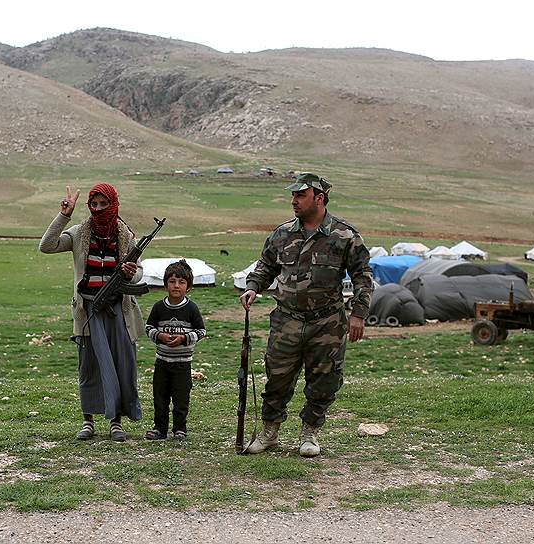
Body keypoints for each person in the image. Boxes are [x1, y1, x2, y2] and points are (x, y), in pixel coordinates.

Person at [239, 172, 374, 457]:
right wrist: (253, 287)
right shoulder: (282, 234)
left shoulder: (345, 236)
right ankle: (270, 433)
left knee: (324, 380)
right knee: (277, 378)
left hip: (327, 322)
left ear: (319, 198)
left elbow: (363, 276)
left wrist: (358, 313)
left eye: (300, 195)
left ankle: (310, 433)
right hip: (287, 319)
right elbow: (266, 266)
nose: (294, 201)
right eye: (293, 195)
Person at [39, 183, 146, 442]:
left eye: (103, 204)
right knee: (89, 367)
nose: (98, 209)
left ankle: (116, 422)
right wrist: (65, 214)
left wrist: (132, 274)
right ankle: (88, 420)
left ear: (113, 205)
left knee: (121, 364)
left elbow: (139, 271)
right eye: (94, 204)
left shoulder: (126, 236)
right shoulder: (78, 233)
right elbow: (47, 245)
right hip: (88, 311)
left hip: (119, 311)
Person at [144, 260, 206, 441]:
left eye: (181, 282)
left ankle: (180, 429)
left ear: (188, 286)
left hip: (183, 364)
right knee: (160, 397)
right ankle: (159, 429)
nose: (176, 286)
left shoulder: (191, 308)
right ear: (165, 284)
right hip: (162, 362)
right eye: (172, 281)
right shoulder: (159, 307)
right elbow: (148, 328)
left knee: (181, 399)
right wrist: (159, 336)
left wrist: (184, 339)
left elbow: (201, 331)